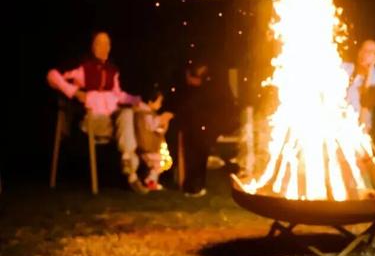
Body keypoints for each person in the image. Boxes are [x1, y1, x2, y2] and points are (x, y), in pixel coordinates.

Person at [47, 31, 150, 194]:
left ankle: (129, 168)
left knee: (129, 114)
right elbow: (52, 76)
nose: (104, 47)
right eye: (99, 43)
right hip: (91, 121)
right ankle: (132, 172)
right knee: (127, 125)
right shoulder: (83, 67)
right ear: (93, 46)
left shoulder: (112, 70)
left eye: (107, 43)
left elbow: (119, 95)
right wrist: (74, 91)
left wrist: (140, 102)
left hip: (112, 123)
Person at [174, 61, 239, 197]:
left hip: (211, 123)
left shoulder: (213, 82)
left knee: (198, 148)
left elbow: (216, 103)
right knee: (195, 148)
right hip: (199, 123)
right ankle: (194, 185)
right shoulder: (200, 86)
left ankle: (197, 184)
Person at [134, 89, 174, 191]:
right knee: (158, 165)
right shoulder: (145, 114)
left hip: (145, 146)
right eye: (159, 102)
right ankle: (150, 182)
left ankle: (148, 181)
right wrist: (162, 118)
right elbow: (152, 126)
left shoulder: (142, 112)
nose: (160, 105)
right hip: (148, 146)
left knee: (154, 166)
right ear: (150, 102)